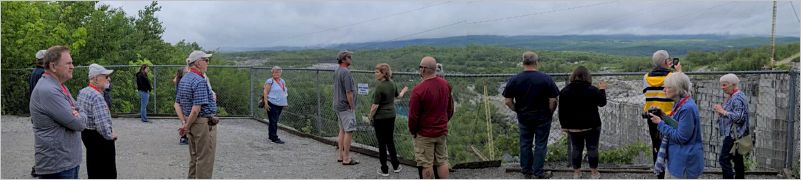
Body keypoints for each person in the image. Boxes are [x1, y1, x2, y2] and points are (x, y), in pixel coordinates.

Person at [29, 45, 87, 179]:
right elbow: (79, 124)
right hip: (58, 165)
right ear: (53, 67)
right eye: (68, 63)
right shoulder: (49, 90)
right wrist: (79, 113)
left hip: (65, 162)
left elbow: (79, 108)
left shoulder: (58, 86)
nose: (73, 66)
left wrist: (79, 112)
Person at [502, 51, 558, 179]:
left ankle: (526, 171)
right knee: (540, 144)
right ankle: (538, 172)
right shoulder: (546, 78)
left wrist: (518, 110)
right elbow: (553, 100)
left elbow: (507, 101)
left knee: (525, 143)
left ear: (523, 62)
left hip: (524, 117)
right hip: (543, 117)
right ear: (536, 62)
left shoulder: (515, 79)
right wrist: (550, 112)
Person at [648, 72, 704, 179]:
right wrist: (664, 117)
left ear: (678, 89)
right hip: (678, 159)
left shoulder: (687, 108)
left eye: (668, 87)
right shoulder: (681, 103)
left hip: (684, 162)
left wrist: (660, 123)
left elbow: (681, 137)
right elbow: (678, 125)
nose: (664, 90)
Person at [408, 56, 454, 179]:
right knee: (442, 161)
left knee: (426, 164)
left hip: (425, 134)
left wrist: (413, 131)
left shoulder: (418, 90)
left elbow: (413, 116)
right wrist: (443, 122)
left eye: (420, 67)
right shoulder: (446, 85)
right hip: (441, 131)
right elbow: (450, 109)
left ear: (423, 69)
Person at [558, 66, 607, 179]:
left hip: (573, 126)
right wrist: (602, 89)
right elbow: (602, 103)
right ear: (587, 77)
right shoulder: (592, 89)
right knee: (592, 148)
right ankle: (594, 173)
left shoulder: (565, 91)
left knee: (576, 148)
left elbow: (562, 110)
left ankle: (577, 173)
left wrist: (564, 125)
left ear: (573, 76)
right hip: (592, 125)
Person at [176, 50, 219, 179]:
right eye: (205, 60)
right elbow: (196, 109)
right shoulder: (199, 81)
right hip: (202, 123)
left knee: (194, 158)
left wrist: (184, 123)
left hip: (192, 122)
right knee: (205, 160)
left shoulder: (184, 79)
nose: (207, 63)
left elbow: (177, 104)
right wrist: (186, 126)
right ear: (198, 63)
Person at [642, 50, 681, 179]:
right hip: (668, 116)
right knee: (673, 145)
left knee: (656, 146)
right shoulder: (672, 76)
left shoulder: (646, 77)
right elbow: (682, 92)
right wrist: (678, 72)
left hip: (652, 116)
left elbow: (646, 92)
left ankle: (659, 173)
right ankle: (672, 173)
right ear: (666, 62)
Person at [77, 64, 117, 178]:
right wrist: (111, 135)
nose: (108, 78)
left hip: (87, 135)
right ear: (96, 78)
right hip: (99, 139)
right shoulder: (97, 97)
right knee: (107, 172)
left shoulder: (83, 92)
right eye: (105, 76)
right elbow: (102, 126)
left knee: (93, 168)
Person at [369, 63, 408, 176]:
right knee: (390, 141)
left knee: (382, 143)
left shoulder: (379, 87)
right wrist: (404, 90)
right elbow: (398, 96)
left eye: (377, 72)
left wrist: (370, 116)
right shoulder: (392, 83)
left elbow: (375, 106)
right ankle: (396, 165)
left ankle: (384, 169)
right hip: (391, 116)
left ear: (383, 73)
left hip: (380, 118)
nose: (375, 74)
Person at [714, 74, 749, 179]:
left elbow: (739, 118)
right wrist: (721, 111)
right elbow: (732, 114)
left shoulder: (737, 98)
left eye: (724, 85)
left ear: (733, 85)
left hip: (734, 135)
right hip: (739, 134)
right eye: (721, 85)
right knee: (738, 160)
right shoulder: (734, 96)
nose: (722, 87)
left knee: (724, 160)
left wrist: (722, 111)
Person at [333, 50, 360, 165]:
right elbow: (349, 92)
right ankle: (346, 158)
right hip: (345, 106)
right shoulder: (346, 72)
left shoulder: (337, 71)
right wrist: (352, 106)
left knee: (342, 130)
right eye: (349, 57)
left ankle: (340, 156)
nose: (351, 59)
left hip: (338, 105)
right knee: (348, 131)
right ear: (343, 59)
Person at [28, 49, 47, 178]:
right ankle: (39, 167)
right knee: (44, 142)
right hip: (41, 111)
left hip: (35, 110)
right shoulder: (42, 74)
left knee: (41, 140)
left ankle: (38, 166)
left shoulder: (34, 72)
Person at [263, 66, 288, 144]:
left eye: (278, 72)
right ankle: (274, 138)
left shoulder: (282, 81)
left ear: (281, 73)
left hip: (280, 104)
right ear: (272, 73)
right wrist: (266, 103)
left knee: (274, 121)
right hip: (272, 103)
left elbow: (283, 92)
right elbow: (265, 92)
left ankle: (271, 136)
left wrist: (285, 103)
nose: (276, 73)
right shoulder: (270, 81)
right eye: (275, 72)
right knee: (273, 121)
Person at [174, 66, 189, 145]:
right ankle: (184, 136)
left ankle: (185, 136)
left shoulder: (178, 80)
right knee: (186, 120)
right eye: (186, 72)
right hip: (183, 102)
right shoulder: (181, 82)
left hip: (182, 102)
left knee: (185, 120)